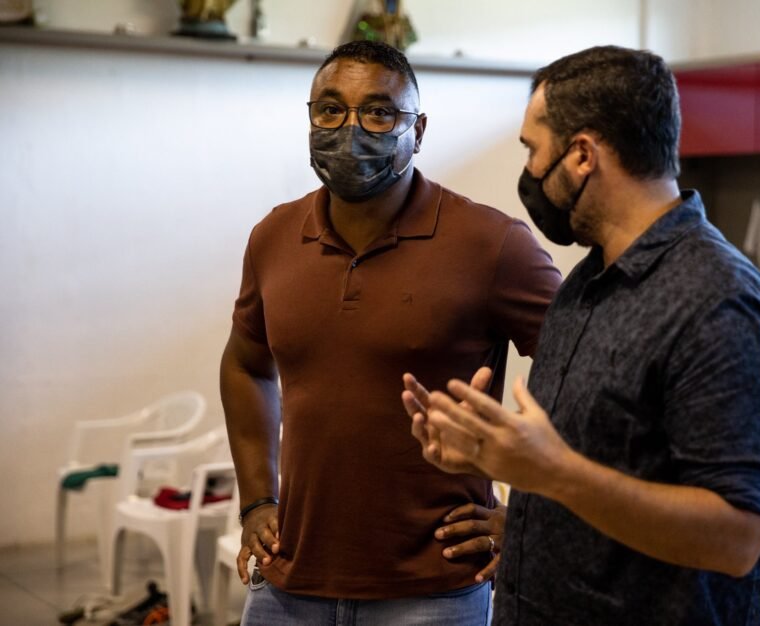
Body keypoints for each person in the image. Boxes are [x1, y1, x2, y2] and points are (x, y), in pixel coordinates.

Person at [403, 45, 760, 625]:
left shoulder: (719, 301)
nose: (529, 174)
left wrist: (550, 474)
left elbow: (735, 539)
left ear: (582, 155)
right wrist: (531, 512)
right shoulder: (584, 285)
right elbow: (603, 474)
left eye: (534, 151)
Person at [220, 40, 561, 625]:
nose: (351, 128)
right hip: (289, 582)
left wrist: (528, 514)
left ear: (419, 130)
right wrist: (257, 499)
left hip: (433, 591)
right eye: (329, 109)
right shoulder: (273, 238)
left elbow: (583, 371)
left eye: (379, 112)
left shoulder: (492, 244)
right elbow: (246, 364)